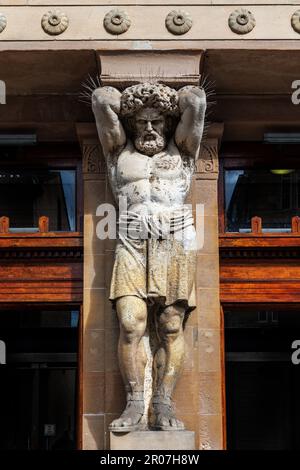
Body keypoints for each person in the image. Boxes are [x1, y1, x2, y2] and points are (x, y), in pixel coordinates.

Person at [92, 82, 206, 431]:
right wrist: (129, 100)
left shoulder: (183, 151)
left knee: (170, 326)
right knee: (130, 323)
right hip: (131, 241)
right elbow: (101, 100)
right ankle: (134, 401)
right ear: (131, 124)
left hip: (175, 241)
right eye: (141, 123)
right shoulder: (118, 152)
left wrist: (174, 98)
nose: (150, 129)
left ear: (168, 123)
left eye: (157, 121)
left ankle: (164, 400)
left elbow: (196, 102)